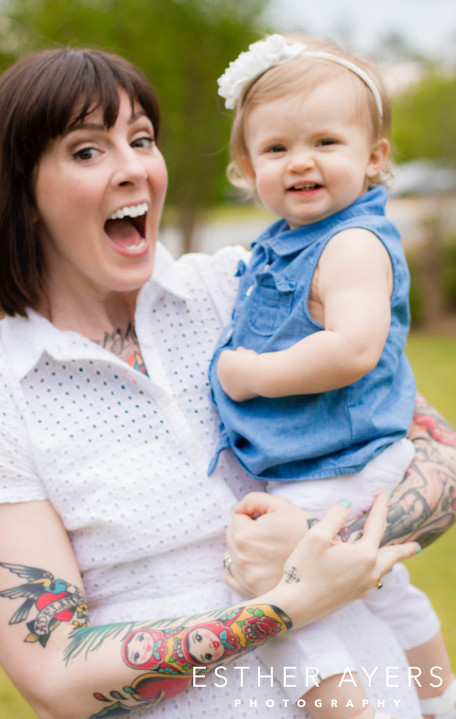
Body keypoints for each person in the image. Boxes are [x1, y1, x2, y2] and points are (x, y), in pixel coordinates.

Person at [0, 47, 453, 719]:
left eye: (141, 139)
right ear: (23, 192)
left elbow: (440, 459)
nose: (134, 167)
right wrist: (283, 605)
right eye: (88, 151)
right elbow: (53, 674)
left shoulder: (246, 286)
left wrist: (327, 544)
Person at [209, 33, 456, 719]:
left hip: (346, 459)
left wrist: (254, 375)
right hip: (331, 459)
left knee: (277, 599)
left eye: (325, 141)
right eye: (277, 148)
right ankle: (441, 697)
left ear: (375, 158)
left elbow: (353, 348)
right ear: (246, 167)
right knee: (386, 587)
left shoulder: (349, 244)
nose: (301, 162)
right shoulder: (282, 244)